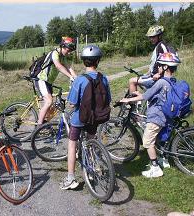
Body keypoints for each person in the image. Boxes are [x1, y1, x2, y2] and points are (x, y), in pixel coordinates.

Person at [120, 52, 181, 178]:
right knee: (157, 139)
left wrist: (127, 100)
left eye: (160, 65)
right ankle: (162, 159)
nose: (158, 67)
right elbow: (156, 95)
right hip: (165, 115)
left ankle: (155, 168)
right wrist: (138, 95)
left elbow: (145, 96)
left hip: (157, 116)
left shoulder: (160, 82)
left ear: (165, 67)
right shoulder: (171, 81)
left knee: (147, 141)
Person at [60, 45, 111, 189]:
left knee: (72, 143)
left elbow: (72, 102)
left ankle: (70, 178)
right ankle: (93, 167)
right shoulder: (104, 78)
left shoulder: (80, 80)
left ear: (84, 62)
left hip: (79, 118)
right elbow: (108, 98)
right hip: (96, 118)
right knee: (91, 141)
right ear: (98, 61)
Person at [35, 36, 77, 125]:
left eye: (71, 51)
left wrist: (76, 78)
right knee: (49, 101)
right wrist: (70, 76)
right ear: (63, 46)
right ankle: (39, 126)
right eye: (68, 50)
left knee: (52, 104)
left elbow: (69, 67)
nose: (69, 52)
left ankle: (45, 123)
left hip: (48, 82)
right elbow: (58, 66)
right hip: (41, 80)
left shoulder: (63, 56)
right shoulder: (55, 53)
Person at [129, 25, 172, 93]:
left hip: (156, 78)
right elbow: (155, 63)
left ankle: (133, 102)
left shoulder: (162, 46)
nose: (151, 39)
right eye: (150, 37)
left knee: (131, 81)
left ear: (159, 36)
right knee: (139, 79)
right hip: (152, 76)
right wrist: (148, 72)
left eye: (153, 37)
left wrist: (159, 74)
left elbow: (169, 62)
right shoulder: (157, 46)